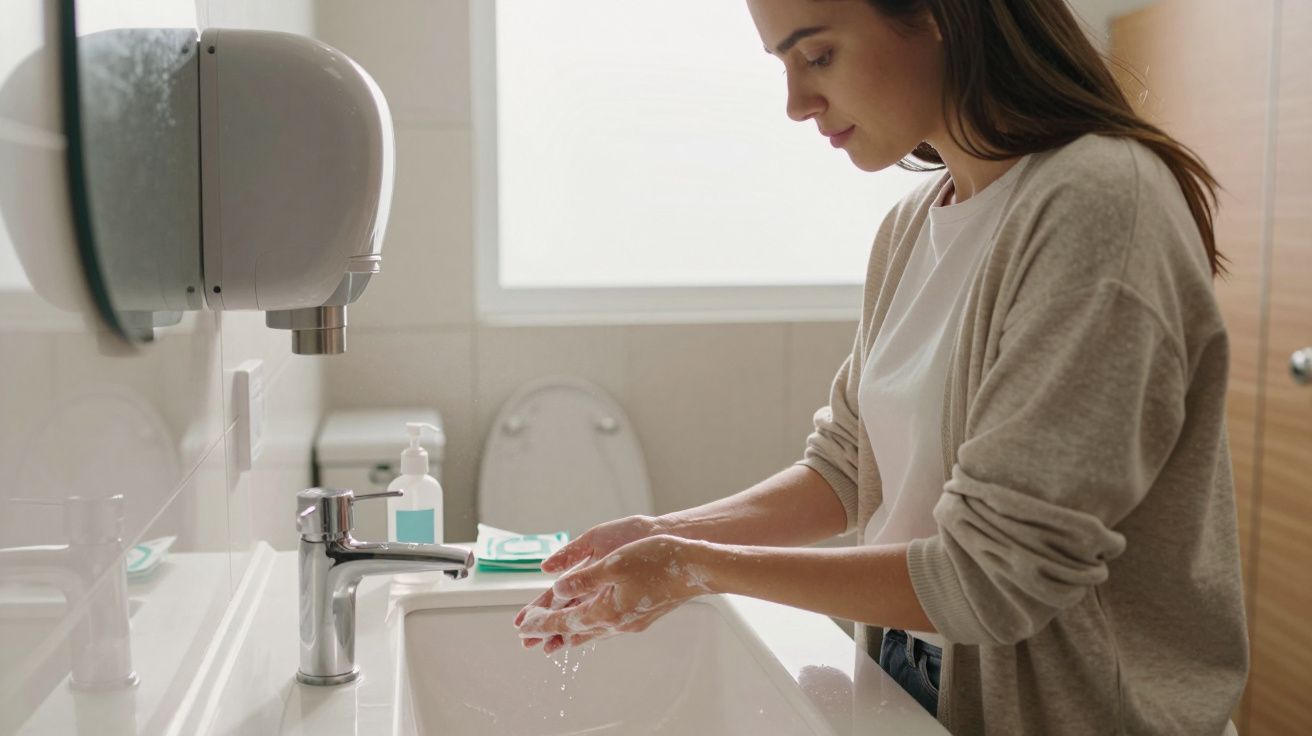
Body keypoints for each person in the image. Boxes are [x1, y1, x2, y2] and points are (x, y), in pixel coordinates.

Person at [513, 1, 1249, 733]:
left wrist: (693, 564)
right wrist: (659, 534)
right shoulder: (913, 224)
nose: (797, 104)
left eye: (818, 57)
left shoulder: (1100, 202)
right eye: (784, 67)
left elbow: (993, 579)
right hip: (914, 672)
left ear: (938, 17)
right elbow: (845, 468)